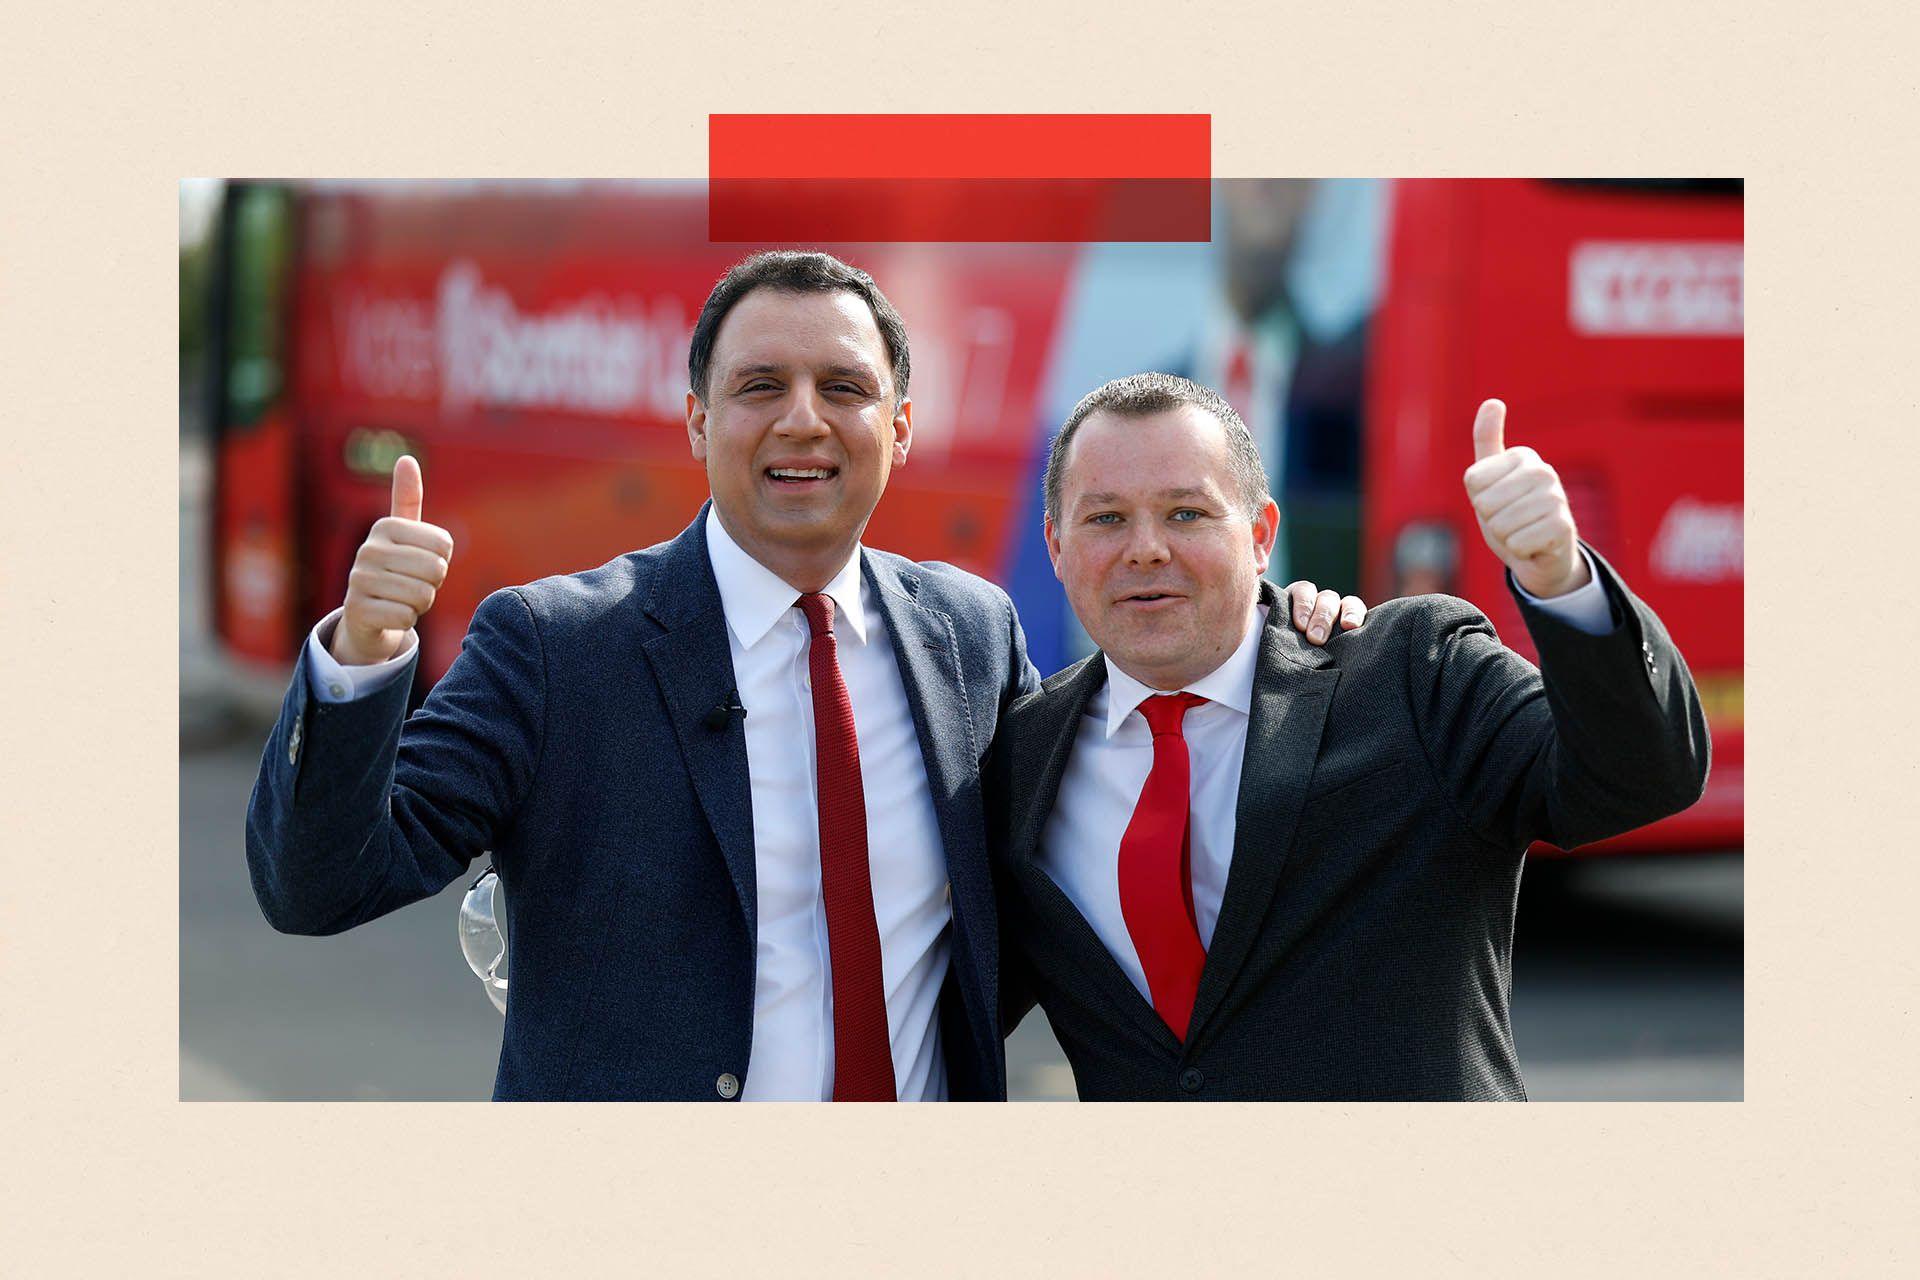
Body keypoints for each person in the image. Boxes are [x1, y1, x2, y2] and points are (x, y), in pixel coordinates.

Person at [245, 252, 1355, 1102]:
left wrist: (1283, 635)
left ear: (902, 427)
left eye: (844, 386)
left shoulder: (972, 634)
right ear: (696, 421)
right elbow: (320, 884)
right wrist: (363, 660)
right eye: (759, 384)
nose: (803, 420)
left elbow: (1084, 856)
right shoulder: (552, 646)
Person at [991, 373, 1709, 1101]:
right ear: (1055, 545)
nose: (1145, 549)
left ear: (1261, 535)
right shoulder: (1021, 757)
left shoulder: (1412, 672)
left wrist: (1561, 578)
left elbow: (1640, 776)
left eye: (1186, 513)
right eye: (1106, 518)